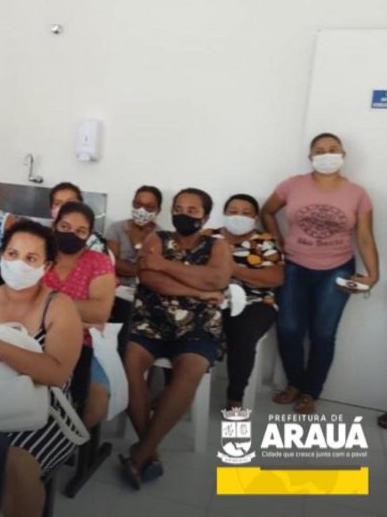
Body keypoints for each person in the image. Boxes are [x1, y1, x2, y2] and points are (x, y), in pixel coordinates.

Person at [0, 220, 83, 517]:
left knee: (16, 468)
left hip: (43, 410)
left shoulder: (59, 306)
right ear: (2, 256)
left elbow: (56, 374)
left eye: (31, 258)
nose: (19, 264)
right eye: (12, 254)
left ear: (46, 267)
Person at [120, 188, 231, 488]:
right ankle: (148, 450)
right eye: (179, 209)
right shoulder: (157, 238)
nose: (183, 214)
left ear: (205, 217)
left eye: (192, 211)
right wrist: (199, 290)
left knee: (191, 370)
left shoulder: (217, 245)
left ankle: (142, 451)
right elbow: (148, 277)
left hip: (198, 327)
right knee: (129, 365)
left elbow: (218, 278)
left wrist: (165, 266)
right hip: (151, 321)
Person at [261, 133, 379, 414]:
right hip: (294, 265)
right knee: (289, 329)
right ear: (311, 157)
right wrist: (277, 240)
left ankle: (311, 392)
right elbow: (267, 212)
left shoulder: (358, 193)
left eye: (333, 149)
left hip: (337, 269)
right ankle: (294, 383)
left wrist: (373, 275)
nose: (326, 154)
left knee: (323, 333)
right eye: (319, 150)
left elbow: (364, 236)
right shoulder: (292, 185)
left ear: (343, 155)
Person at [43, 202, 116, 429]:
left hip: (86, 342)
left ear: (89, 235)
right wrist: (77, 319)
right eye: (65, 227)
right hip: (38, 337)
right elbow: (25, 300)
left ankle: (68, 441)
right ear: (55, 225)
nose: (71, 234)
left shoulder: (98, 261)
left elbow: (100, 312)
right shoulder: (39, 255)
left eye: (80, 231)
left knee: (95, 402)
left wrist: (49, 304)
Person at [215, 194, 284, 408]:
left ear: (255, 217)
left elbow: (276, 278)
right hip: (212, 298)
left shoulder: (265, 242)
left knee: (243, 335)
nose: (239, 217)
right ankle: (174, 388)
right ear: (224, 213)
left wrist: (235, 270)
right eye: (233, 211)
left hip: (255, 302)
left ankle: (235, 397)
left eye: (246, 213)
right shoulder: (209, 238)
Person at [105, 186, 163, 287]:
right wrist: (143, 270)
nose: (142, 210)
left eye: (149, 207)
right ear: (133, 203)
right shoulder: (116, 228)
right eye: (138, 204)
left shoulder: (161, 235)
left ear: (158, 210)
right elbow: (111, 263)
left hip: (148, 289)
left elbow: (157, 269)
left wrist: (138, 244)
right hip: (116, 287)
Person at [49, 181, 111, 256]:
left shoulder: (94, 244)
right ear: (51, 208)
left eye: (70, 202)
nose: (64, 207)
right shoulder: (42, 235)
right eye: (57, 203)